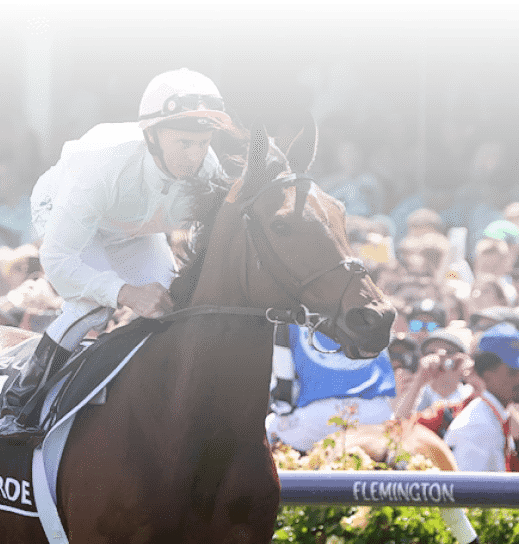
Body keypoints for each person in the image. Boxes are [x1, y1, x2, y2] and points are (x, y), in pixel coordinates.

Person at [0, 67, 245, 443]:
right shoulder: (101, 165)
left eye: (203, 142)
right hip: (63, 215)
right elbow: (60, 263)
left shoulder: (206, 171)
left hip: (133, 231)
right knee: (92, 307)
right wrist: (125, 293)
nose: (195, 156)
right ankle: (20, 403)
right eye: (184, 143)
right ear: (151, 135)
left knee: (170, 307)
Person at [265, 323, 396, 453]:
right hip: (378, 414)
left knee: (268, 428)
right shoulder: (377, 312)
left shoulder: (288, 320)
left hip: (318, 418)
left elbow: (284, 387)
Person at [444, 323, 519, 472]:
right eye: (512, 372)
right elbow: (465, 492)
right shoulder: (476, 426)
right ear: (487, 374)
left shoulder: (494, 415)